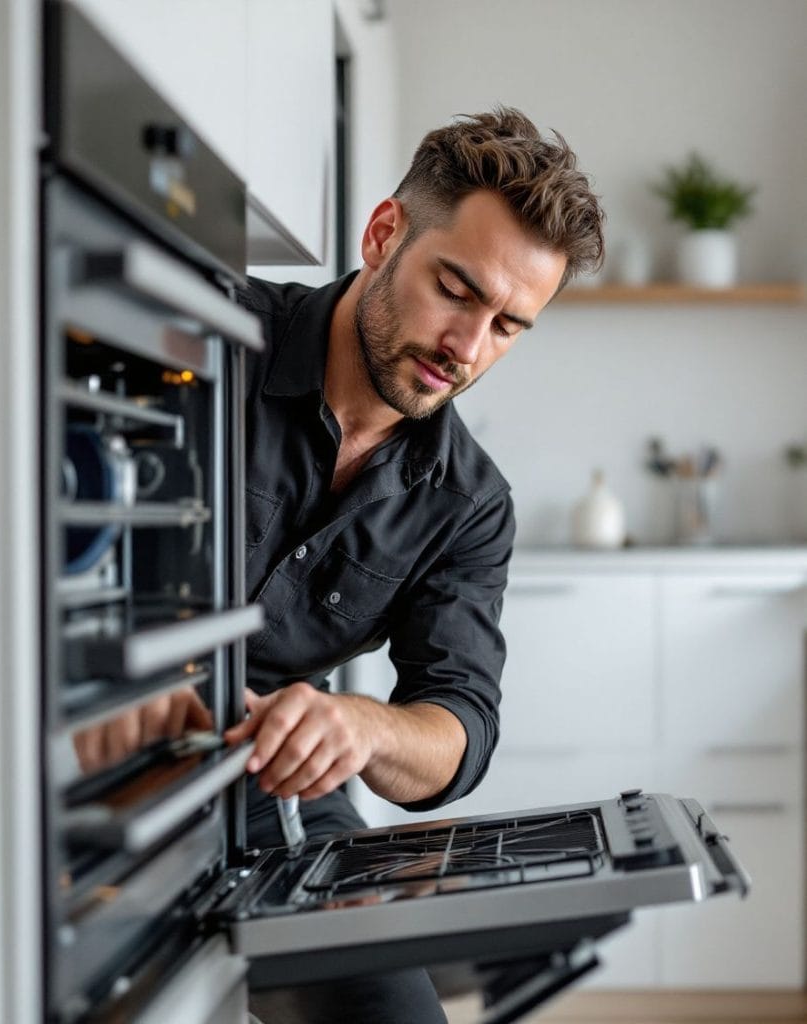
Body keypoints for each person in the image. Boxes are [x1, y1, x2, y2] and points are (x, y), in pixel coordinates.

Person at [225, 106, 605, 1023]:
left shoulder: (470, 504)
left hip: (274, 797)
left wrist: (359, 727)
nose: (466, 350)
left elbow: (459, 724)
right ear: (384, 233)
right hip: (85, 763)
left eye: (509, 325)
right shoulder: (211, 335)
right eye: (457, 291)